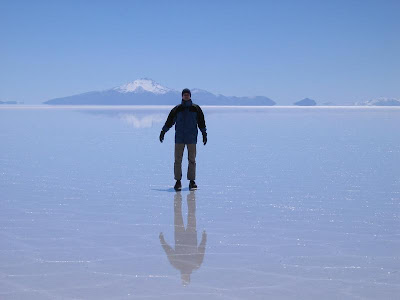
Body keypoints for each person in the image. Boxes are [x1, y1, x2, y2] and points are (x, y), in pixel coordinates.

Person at [159, 88, 207, 191]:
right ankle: (178, 181)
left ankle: (192, 181)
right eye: (184, 95)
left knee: (192, 160)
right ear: (182, 96)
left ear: (190, 96)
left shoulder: (196, 108)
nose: (186, 96)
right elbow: (169, 121)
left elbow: (201, 122)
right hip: (179, 138)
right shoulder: (177, 109)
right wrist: (163, 131)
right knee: (177, 161)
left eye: (187, 94)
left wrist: (204, 134)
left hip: (191, 138)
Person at [159, 191, 207, 286]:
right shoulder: (195, 265)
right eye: (185, 278)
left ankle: (178, 197)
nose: (184, 277)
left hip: (179, 234)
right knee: (191, 214)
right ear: (188, 277)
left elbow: (169, 252)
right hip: (191, 235)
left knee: (178, 214)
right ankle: (190, 197)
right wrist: (204, 239)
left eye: (183, 279)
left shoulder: (176, 264)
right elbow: (201, 250)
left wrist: (162, 241)